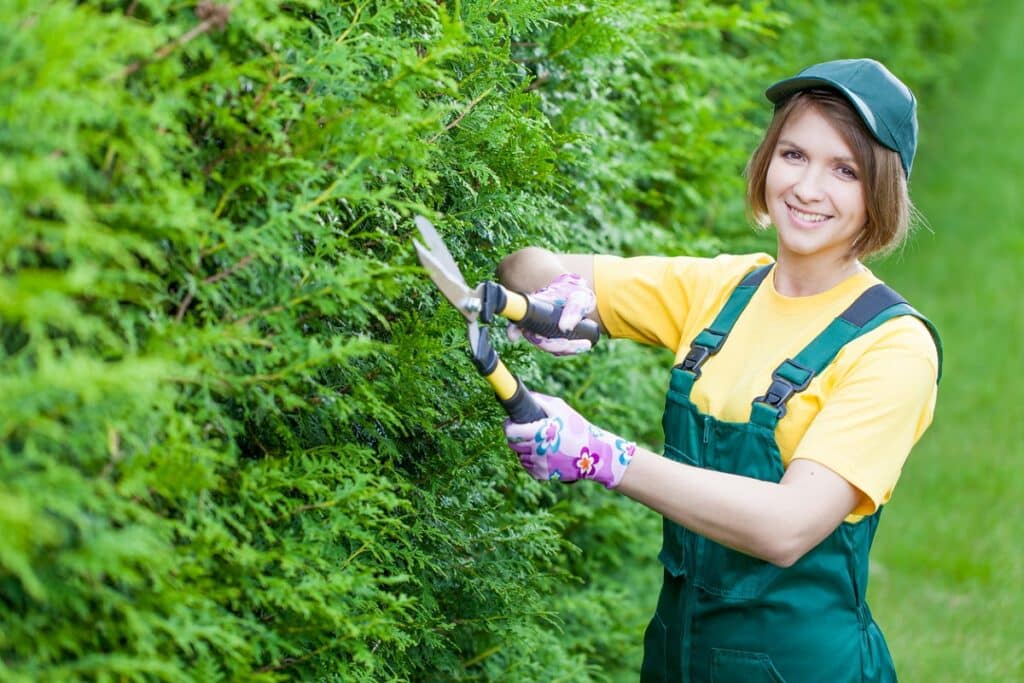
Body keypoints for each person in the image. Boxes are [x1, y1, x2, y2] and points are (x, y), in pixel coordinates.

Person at [497, 59, 942, 683]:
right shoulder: (722, 289)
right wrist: (550, 299)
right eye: (793, 154)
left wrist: (603, 455)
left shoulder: (894, 348)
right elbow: (523, 268)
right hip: (678, 659)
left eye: (845, 170)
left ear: (881, 193)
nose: (809, 188)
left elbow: (787, 527)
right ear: (767, 162)